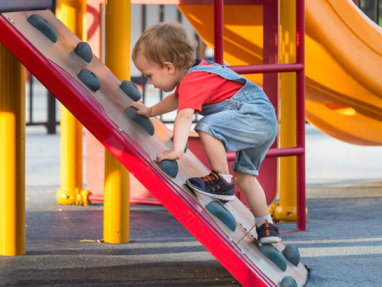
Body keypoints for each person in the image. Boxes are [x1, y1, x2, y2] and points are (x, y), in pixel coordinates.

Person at [126, 22, 280, 244]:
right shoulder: (197, 73)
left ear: (169, 67)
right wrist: (150, 111)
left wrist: (176, 151)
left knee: (207, 126)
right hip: (265, 120)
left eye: (149, 75)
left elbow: (184, 115)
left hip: (251, 115)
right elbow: (176, 100)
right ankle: (266, 226)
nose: (149, 81)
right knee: (246, 177)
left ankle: (222, 180)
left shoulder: (193, 79)